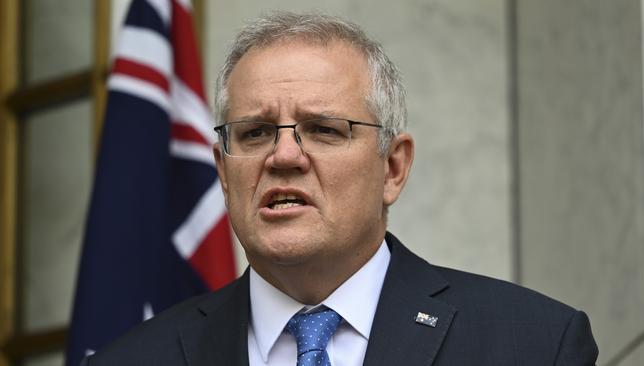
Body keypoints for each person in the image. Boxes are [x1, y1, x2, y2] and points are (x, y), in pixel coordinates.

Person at [82, 11, 598, 366]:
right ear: (223, 169)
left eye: (325, 130)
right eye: (256, 132)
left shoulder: (533, 345)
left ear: (393, 169)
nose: (284, 156)